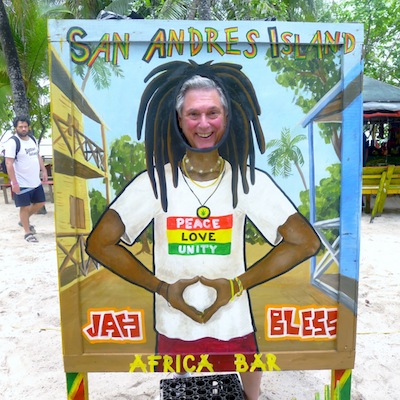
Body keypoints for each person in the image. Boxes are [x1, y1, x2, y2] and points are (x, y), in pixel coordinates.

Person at [86, 63, 321, 400]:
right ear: (179, 120)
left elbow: (305, 241)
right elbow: (100, 242)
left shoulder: (248, 181)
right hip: (175, 321)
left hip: (234, 320)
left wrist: (238, 285)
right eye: (193, 114)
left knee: (249, 377)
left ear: (227, 117)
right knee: (184, 387)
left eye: (213, 112)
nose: (204, 123)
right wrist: (163, 289)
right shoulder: (154, 183)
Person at [3, 116, 48, 243]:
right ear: (16, 128)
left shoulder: (32, 139)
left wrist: (44, 170)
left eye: (25, 126)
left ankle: (23, 220)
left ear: (28, 127)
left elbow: (37, 155)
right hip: (21, 182)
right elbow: (9, 163)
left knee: (41, 203)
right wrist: (14, 182)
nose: (23, 129)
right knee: (25, 206)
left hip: (35, 181)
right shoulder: (13, 142)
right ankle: (27, 233)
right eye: (20, 127)